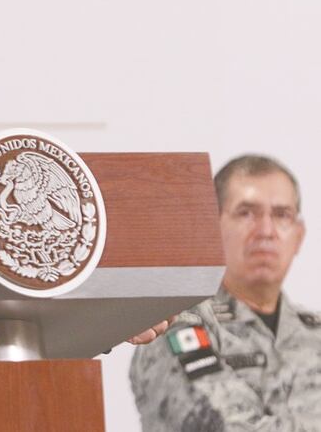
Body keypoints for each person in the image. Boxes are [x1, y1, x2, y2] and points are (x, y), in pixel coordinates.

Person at [129, 154, 321, 430]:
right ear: (212, 227)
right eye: (246, 213)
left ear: (298, 235)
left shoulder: (315, 331)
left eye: (281, 215)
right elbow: (225, 426)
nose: (266, 231)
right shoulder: (173, 323)